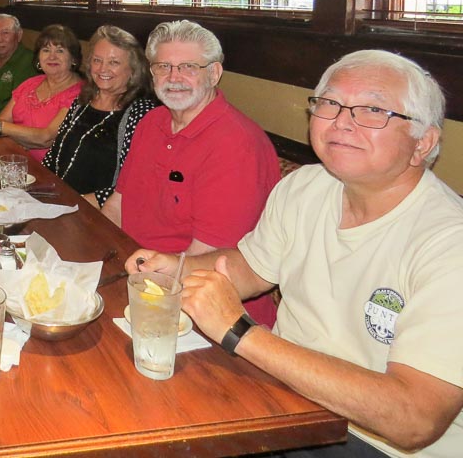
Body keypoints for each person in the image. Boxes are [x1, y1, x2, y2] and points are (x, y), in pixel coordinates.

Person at [126, 50, 463, 457]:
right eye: (330, 104)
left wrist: (239, 332)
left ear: (422, 142)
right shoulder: (308, 185)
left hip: (373, 443)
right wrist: (175, 267)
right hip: (283, 401)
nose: (342, 121)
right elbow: (250, 267)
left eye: (373, 109)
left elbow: (414, 419)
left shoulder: (448, 241)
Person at [102, 20, 280, 326]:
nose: (174, 78)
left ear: (214, 73)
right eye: (163, 67)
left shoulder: (236, 144)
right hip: (133, 276)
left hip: (198, 310)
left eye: (188, 67)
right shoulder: (152, 122)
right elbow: (117, 205)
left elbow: (207, 264)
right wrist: (97, 263)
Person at [42, 25, 156, 207]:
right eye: (97, 60)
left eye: (114, 62)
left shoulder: (141, 113)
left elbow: (134, 183)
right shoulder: (82, 101)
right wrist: (37, 190)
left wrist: (73, 204)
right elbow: (54, 155)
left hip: (99, 217)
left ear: (133, 69)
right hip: (58, 203)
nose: (103, 69)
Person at [0, 24, 83, 162]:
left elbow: (46, 138)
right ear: (39, 58)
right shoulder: (31, 84)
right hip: (13, 160)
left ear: (73, 59)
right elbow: (2, 121)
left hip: (49, 172)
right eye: (46, 50)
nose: (52, 57)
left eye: (60, 51)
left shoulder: (79, 93)